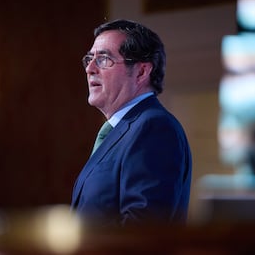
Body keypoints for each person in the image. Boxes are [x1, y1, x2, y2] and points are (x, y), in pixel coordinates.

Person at [70, 19, 192, 226]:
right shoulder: (122, 130)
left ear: (142, 72)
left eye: (104, 58)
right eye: (89, 59)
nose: (89, 68)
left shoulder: (154, 128)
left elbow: (141, 230)